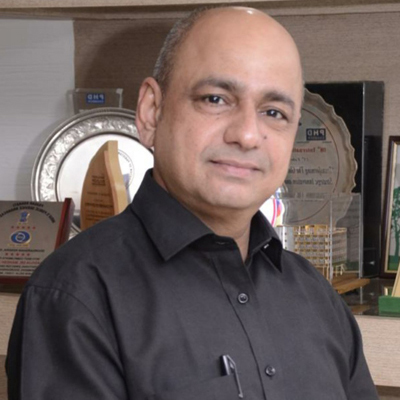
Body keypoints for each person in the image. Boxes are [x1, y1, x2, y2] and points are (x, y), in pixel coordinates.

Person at [7, 6, 378, 400]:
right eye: (216, 99)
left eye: (274, 112)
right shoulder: (76, 296)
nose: (247, 135)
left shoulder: (317, 297)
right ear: (151, 111)